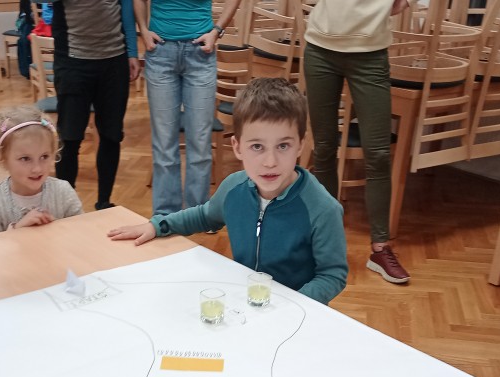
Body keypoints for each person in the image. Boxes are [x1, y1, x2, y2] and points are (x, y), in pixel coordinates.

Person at [108, 77, 348, 306]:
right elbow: (204, 215)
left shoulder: (323, 209)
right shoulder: (233, 188)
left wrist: (293, 306)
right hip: (246, 301)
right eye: (257, 146)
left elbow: (332, 275)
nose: (270, 162)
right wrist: (158, 226)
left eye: (283, 146)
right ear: (237, 146)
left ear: (301, 145)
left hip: (297, 313)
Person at [302, 0, 411, 284]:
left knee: (378, 154)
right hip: (320, 48)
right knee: (324, 148)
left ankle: (380, 248)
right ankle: (324, 241)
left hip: (370, 53)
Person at [135, 0, 240, 216]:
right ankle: (166, 216)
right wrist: (143, 30)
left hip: (200, 52)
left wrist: (217, 31)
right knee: (164, 143)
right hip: (161, 52)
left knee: (200, 142)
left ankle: (197, 215)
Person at [50, 0, 140, 211]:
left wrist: (132, 52)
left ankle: (104, 203)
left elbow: (126, 8)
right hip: (72, 62)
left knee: (111, 135)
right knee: (70, 138)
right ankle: (66, 208)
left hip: (114, 61)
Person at [0, 104, 82, 235]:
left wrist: (57, 228)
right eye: (25, 159)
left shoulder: (64, 192)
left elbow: (81, 235)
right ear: (2, 159)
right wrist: (18, 230)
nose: (37, 168)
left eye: (44, 156)